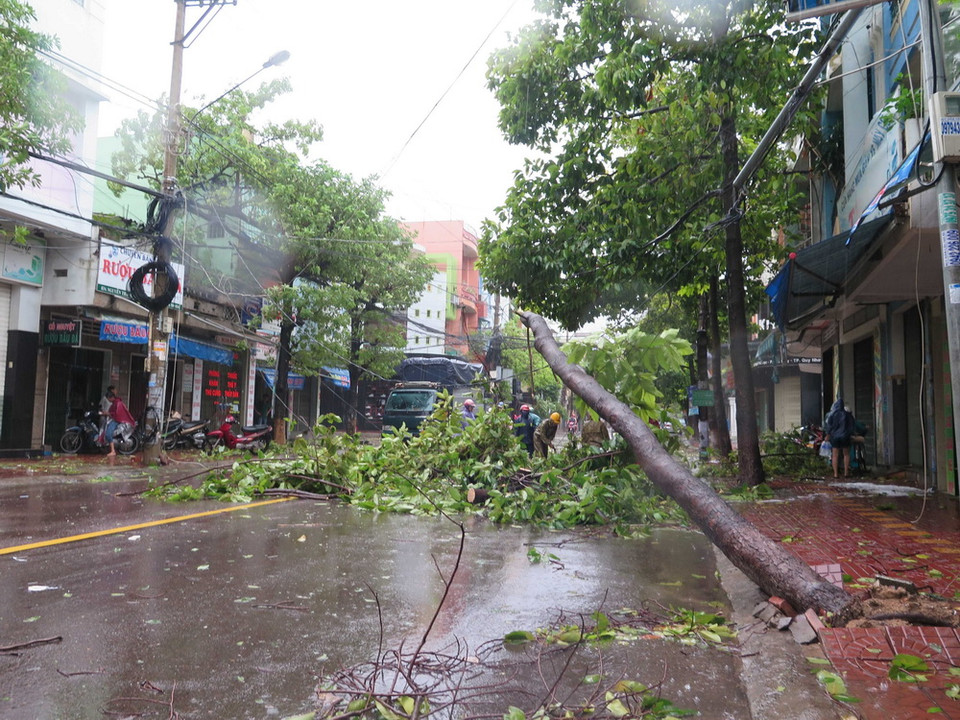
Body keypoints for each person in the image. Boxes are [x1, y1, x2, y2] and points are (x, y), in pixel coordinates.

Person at [823, 399, 856, 478]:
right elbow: (852, 426)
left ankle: (835, 474)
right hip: (845, 437)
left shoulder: (831, 414)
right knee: (846, 454)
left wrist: (828, 434)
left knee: (835, 455)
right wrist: (850, 434)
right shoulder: (848, 415)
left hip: (834, 437)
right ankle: (846, 473)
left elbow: (828, 426)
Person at [106, 392, 136, 456]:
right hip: (114, 420)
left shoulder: (118, 403)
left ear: (112, 398)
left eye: (108, 398)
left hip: (117, 421)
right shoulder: (114, 403)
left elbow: (117, 415)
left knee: (108, 434)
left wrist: (108, 414)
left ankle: (113, 451)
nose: (108, 400)